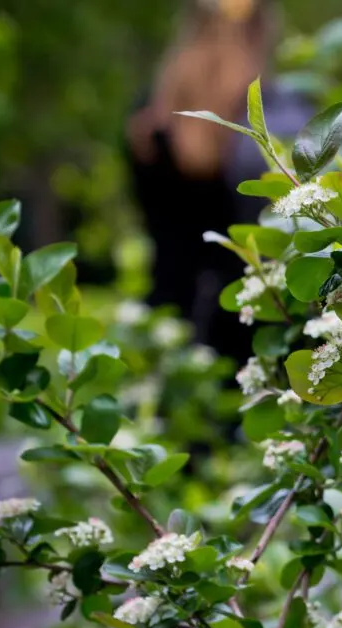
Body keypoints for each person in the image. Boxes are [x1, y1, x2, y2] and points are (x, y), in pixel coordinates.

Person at [125, 0, 307, 362]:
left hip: (169, 314)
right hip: (244, 320)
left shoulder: (148, 116)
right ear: (261, 33)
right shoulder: (265, 118)